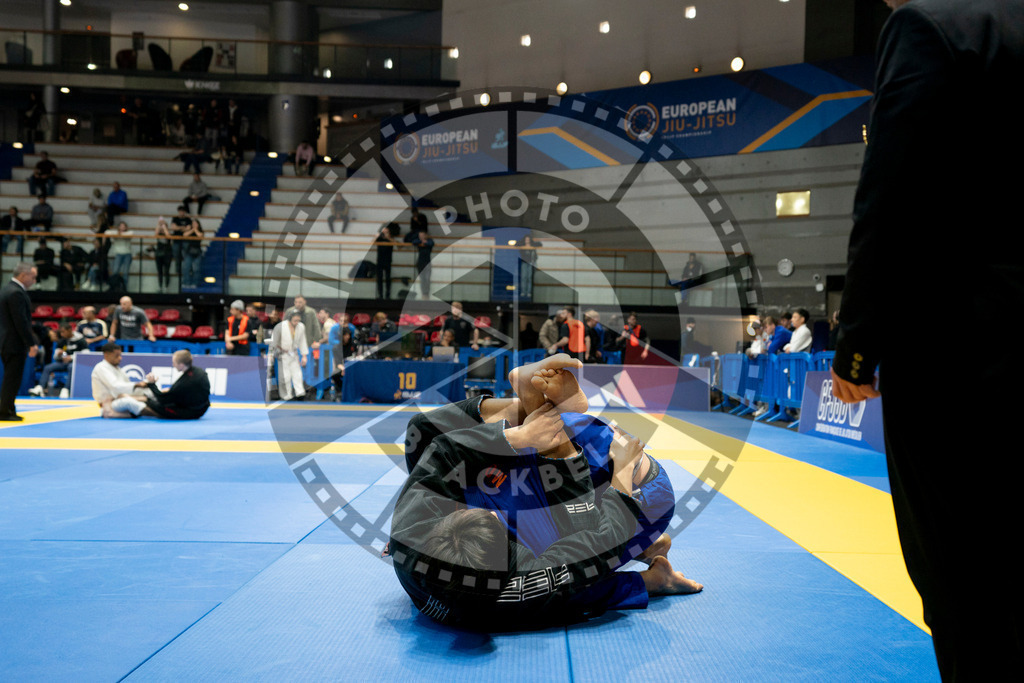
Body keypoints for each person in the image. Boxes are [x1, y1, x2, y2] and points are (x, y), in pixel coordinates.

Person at [830, 1, 1024, 678]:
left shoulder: (931, 27)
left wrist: (857, 343)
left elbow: (889, 192)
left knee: (962, 574)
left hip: (960, 349)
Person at [390, 354, 700, 629]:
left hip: (584, 482)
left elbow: (437, 445)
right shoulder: (525, 584)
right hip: (649, 496)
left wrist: (518, 435)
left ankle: (525, 411)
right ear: (513, 564)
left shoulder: (410, 537)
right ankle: (555, 425)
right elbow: (602, 545)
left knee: (425, 435)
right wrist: (622, 473)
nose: (495, 512)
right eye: (503, 527)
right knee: (575, 579)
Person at [109, 350, 211, 420]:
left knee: (157, 406)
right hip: (201, 407)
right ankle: (133, 398)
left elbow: (162, 400)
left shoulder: (185, 382)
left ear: (181, 365)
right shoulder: (199, 371)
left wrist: (152, 384)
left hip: (191, 413)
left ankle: (132, 403)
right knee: (161, 396)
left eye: (174, 363)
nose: (173, 365)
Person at [0, 263, 38, 421]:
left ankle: (9, 408)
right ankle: (5, 411)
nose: (34, 280)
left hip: (6, 341)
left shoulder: (6, 289)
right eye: (33, 277)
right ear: (23, 275)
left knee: (11, 377)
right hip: (14, 342)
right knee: (12, 378)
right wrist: (31, 343)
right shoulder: (16, 293)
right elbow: (20, 321)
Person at [29, 321, 87, 396]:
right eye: (61, 332)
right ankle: (40, 387)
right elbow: (56, 356)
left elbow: (86, 354)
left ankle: (66, 389)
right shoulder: (62, 341)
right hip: (63, 362)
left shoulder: (80, 340)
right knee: (48, 367)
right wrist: (60, 354)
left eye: (63, 332)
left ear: (70, 330)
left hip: (75, 363)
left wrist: (71, 357)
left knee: (71, 367)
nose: (62, 334)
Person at [92, 343, 150, 416]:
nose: (120, 358)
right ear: (106, 355)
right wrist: (136, 385)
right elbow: (115, 386)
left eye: (120, 355)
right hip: (108, 405)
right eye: (117, 356)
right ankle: (160, 414)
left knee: (147, 392)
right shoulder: (101, 368)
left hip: (120, 399)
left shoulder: (118, 369)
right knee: (129, 402)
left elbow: (127, 387)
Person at [269, 310, 308, 401]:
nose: (297, 322)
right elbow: (273, 342)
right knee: (285, 377)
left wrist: (304, 356)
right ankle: (286, 396)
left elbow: (303, 341)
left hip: (293, 354)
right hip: (282, 354)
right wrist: (270, 354)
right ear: (290, 319)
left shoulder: (301, 326)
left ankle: (300, 393)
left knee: (297, 374)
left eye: (298, 320)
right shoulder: (280, 327)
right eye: (295, 320)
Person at [374, 223, 395, 299]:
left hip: (388, 261)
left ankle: (388, 294)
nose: (385, 232)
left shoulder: (391, 238)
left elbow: (395, 243)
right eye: (384, 231)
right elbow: (373, 241)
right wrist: (378, 235)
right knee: (379, 278)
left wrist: (387, 237)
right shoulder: (380, 238)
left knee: (388, 278)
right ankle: (380, 295)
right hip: (380, 260)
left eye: (387, 231)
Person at [181, 218, 204, 287]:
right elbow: (184, 235)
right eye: (193, 224)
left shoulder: (200, 231)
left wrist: (195, 229)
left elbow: (200, 236)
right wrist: (192, 230)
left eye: (195, 223)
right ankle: (186, 282)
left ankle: (194, 283)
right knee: (186, 267)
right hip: (189, 251)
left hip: (197, 252)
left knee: (196, 268)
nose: (194, 225)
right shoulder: (190, 231)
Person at [411, 230, 434, 298]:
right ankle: (423, 293)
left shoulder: (429, 240)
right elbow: (414, 242)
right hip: (420, 262)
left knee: (427, 278)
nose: (421, 237)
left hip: (427, 262)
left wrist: (425, 242)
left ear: (425, 235)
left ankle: (427, 293)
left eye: (422, 235)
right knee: (422, 279)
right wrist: (421, 241)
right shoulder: (419, 241)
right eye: (420, 236)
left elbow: (431, 243)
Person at [154, 218, 173, 293]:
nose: (162, 227)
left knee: (167, 271)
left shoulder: (168, 233)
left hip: (167, 254)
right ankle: (160, 286)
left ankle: (166, 286)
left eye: (163, 225)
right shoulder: (158, 233)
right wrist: (159, 224)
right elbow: (155, 234)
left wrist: (165, 227)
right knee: (159, 271)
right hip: (159, 253)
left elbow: (168, 237)